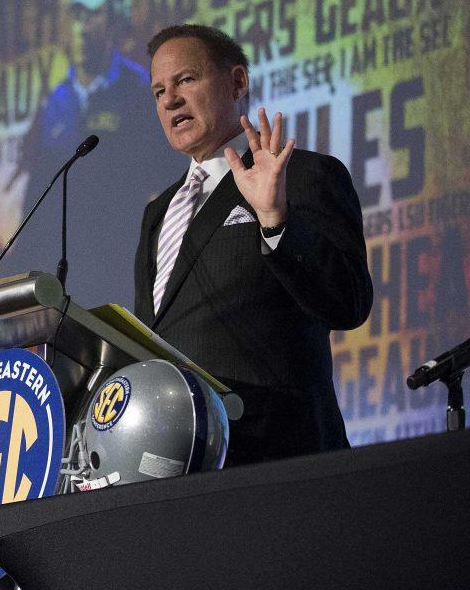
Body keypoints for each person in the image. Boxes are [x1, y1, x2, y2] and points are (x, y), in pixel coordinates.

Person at [134, 24, 372, 466]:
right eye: (158, 91)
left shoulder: (303, 176)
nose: (170, 100)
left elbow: (348, 302)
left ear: (237, 82)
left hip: (278, 458)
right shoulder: (157, 213)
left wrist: (275, 221)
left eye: (186, 80)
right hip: (181, 466)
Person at [0, 0, 177, 306]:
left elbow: (167, 184)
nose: (82, 27)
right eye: (76, 14)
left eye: (94, 14)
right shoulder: (55, 103)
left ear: (117, 22)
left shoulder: (140, 93)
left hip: (121, 274)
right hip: (62, 279)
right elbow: (37, 201)